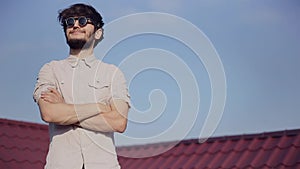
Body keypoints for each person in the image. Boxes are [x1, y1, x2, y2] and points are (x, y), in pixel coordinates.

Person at [33, 3, 130, 169]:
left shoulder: (112, 73)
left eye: (83, 21)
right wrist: (100, 107)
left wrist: (65, 110)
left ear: (98, 33)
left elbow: (118, 122)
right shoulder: (50, 70)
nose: (75, 25)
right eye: (69, 22)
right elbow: (49, 113)